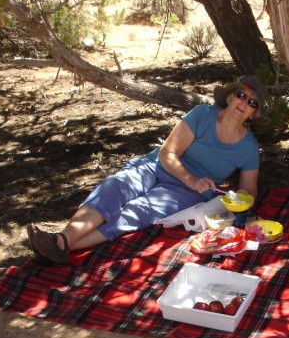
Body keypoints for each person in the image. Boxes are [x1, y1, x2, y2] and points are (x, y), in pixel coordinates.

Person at [27, 75, 268, 265]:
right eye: (241, 94)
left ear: (254, 113)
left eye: (252, 102)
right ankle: (64, 239)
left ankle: (56, 246)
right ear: (229, 97)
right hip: (158, 166)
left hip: (188, 192)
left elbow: (249, 189)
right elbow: (167, 153)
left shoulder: (248, 147)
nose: (244, 103)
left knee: (137, 212)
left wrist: (236, 200)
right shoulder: (202, 114)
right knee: (116, 187)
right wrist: (192, 178)